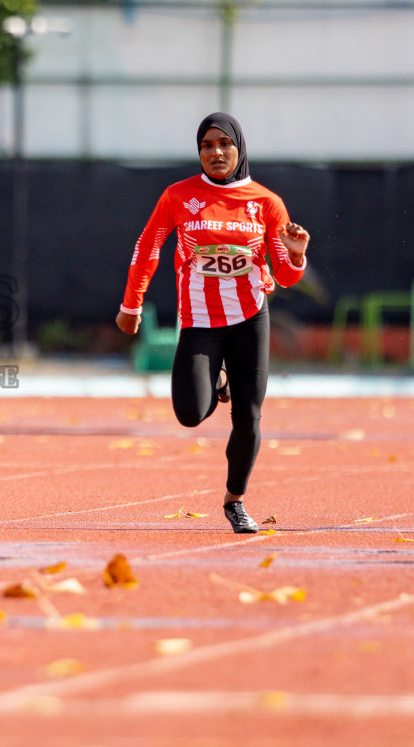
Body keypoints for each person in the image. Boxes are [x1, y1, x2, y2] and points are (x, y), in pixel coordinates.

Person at [116, 113, 310, 534]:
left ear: (240, 148)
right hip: (200, 320)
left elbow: (288, 276)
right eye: (206, 145)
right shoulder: (178, 195)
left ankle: (235, 501)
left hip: (249, 318)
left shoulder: (266, 202)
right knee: (189, 414)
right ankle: (218, 381)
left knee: (249, 417)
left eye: (224, 144)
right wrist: (132, 305)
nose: (216, 152)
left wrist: (294, 255)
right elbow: (148, 245)